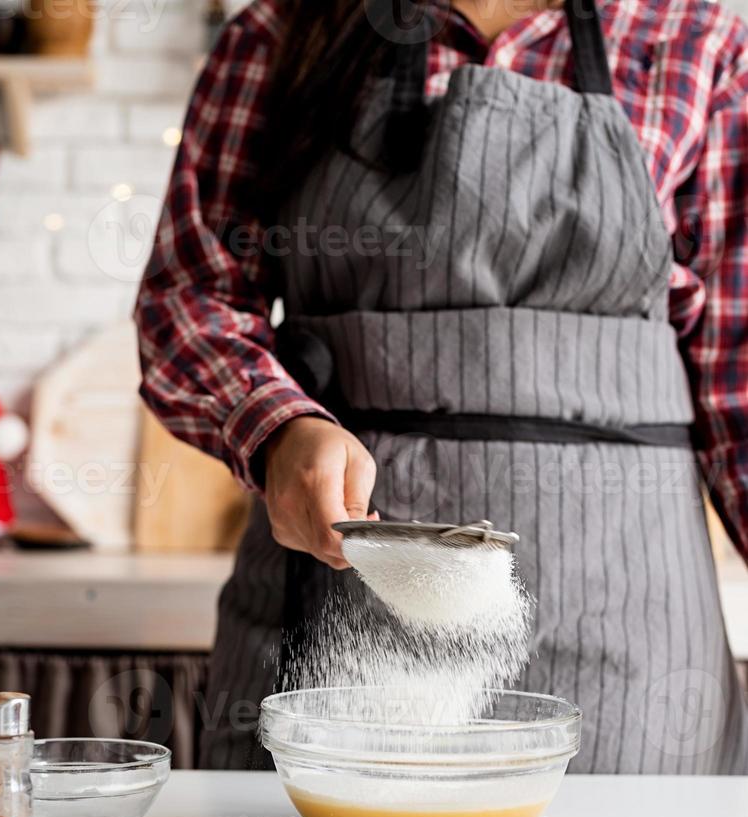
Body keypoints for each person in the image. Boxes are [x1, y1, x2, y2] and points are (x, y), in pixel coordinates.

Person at [135, 0, 748, 773]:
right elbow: (187, 298)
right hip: (340, 615)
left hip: (634, 630)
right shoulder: (281, 32)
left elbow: (739, 369)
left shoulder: (698, 37)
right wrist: (276, 426)